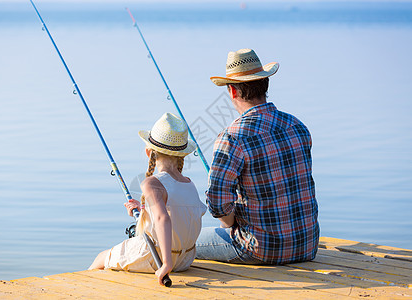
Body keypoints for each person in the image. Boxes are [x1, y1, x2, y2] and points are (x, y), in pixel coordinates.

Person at [195, 48, 319, 265]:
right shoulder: (298, 126)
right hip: (307, 246)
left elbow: (217, 204)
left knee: (180, 241)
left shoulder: (232, 137)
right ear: (266, 84)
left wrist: (231, 224)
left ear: (232, 91)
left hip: (259, 250)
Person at [89, 112, 207, 285]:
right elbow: (177, 215)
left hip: (156, 257)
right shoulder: (189, 184)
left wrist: (166, 264)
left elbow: (162, 218)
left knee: (101, 258)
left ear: (148, 152)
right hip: (185, 259)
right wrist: (144, 210)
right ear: (182, 155)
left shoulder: (152, 183)